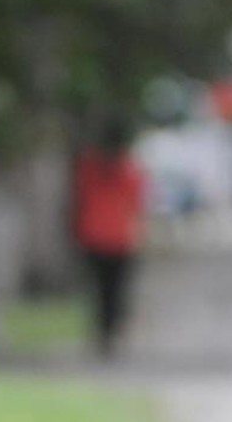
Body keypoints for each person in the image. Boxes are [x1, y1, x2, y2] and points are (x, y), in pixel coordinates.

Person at [72, 118, 146, 358]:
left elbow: (80, 197)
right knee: (117, 288)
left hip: (94, 236)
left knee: (99, 288)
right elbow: (137, 203)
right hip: (120, 237)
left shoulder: (89, 168)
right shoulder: (131, 170)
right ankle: (113, 330)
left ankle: (103, 331)